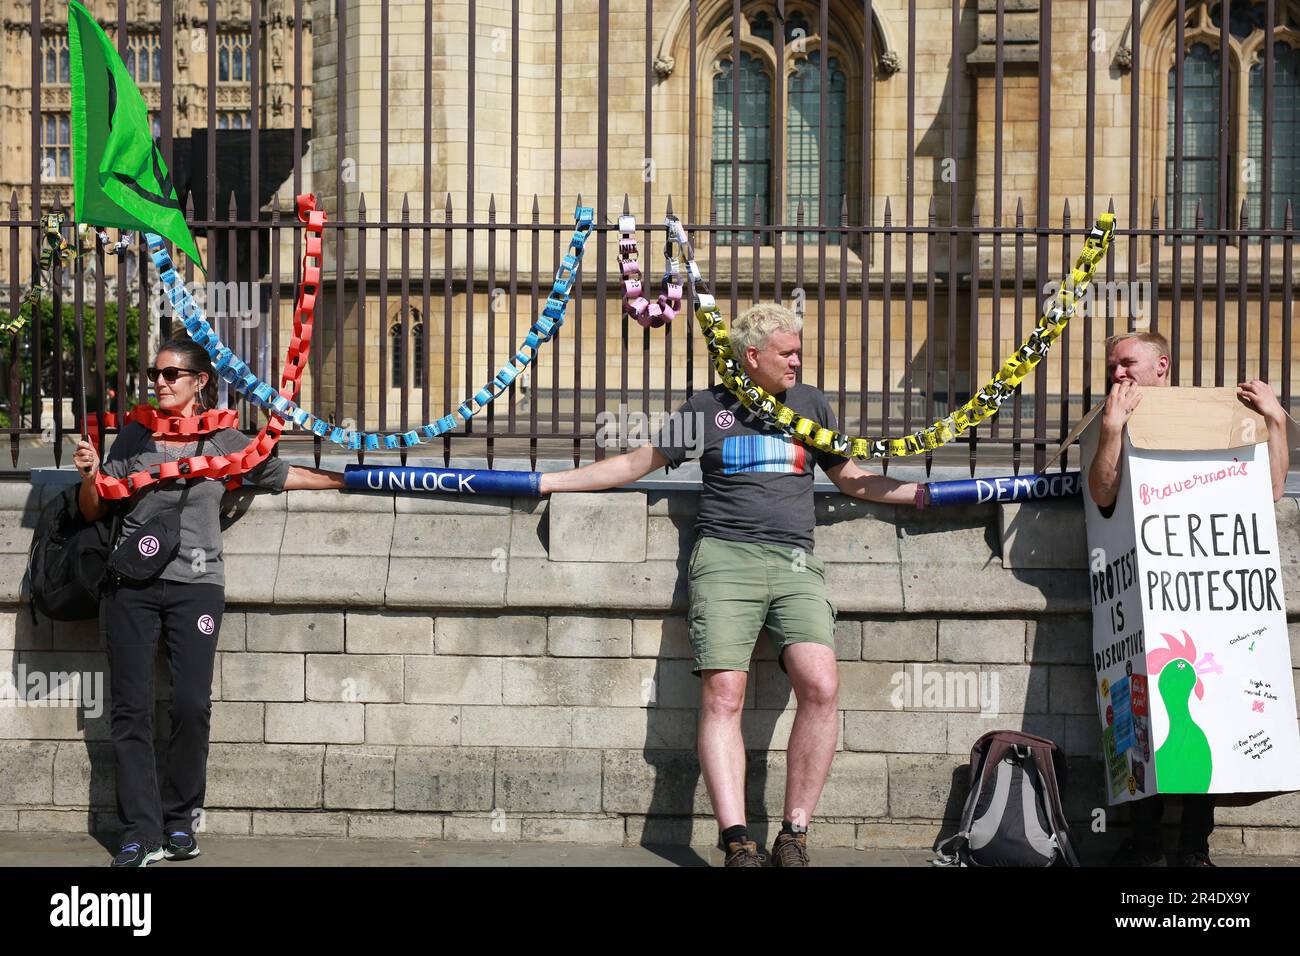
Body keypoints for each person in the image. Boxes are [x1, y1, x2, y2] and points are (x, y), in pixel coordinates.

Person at [540, 303, 926, 867]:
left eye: (798, 351)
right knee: (724, 694)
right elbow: (637, 463)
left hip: (796, 564)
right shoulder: (707, 408)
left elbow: (849, 476)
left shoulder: (810, 403)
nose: (798, 360)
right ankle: (737, 840)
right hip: (725, 559)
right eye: (787, 353)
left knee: (820, 685)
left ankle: (793, 835)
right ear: (752, 357)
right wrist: (552, 481)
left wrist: (918, 494)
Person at [72, 337, 345, 867]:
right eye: (156, 373)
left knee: (192, 706)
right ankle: (139, 832)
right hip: (132, 586)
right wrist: (89, 475)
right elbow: (92, 511)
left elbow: (282, 475)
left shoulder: (223, 439)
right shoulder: (134, 435)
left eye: (173, 374)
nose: (161, 382)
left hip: (197, 585)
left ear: (200, 383)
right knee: (130, 710)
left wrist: (353, 478)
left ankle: (179, 823)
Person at [1090, 330, 1291, 867]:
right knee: (1140, 713)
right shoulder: (1113, 419)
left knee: (1210, 714)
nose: (1117, 374)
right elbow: (1103, 493)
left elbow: (1267, 488)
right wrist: (1111, 430)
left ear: (1162, 366)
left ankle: (1193, 848)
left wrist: (1274, 419)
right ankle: (1146, 841)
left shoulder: (1210, 415)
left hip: (1205, 598)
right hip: (1143, 596)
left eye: (1127, 363)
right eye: (1112, 366)